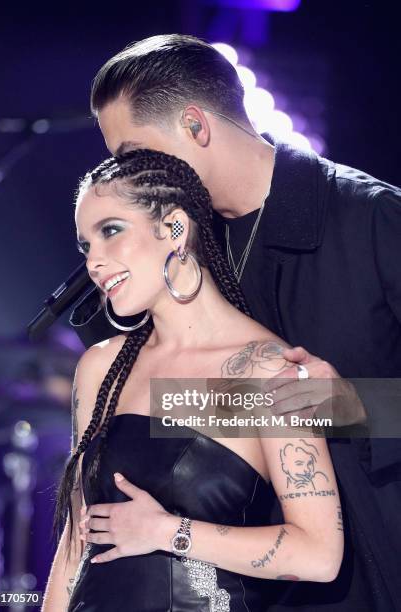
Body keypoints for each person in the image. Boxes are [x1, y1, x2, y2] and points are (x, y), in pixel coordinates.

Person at [68, 34, 401, 610]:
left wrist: (358, 406)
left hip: (371, 573)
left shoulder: (371, 219)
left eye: (133, 155)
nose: (127, 176)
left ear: (196, 126)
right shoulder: (182, 253)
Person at [42, 149, 343, 612]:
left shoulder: (268, 371)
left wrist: (165, 531)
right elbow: (75, 541)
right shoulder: (100, 367)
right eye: (86, 246)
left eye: (111, 232)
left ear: (176, 230)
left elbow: (320, 555)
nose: (94, 263)